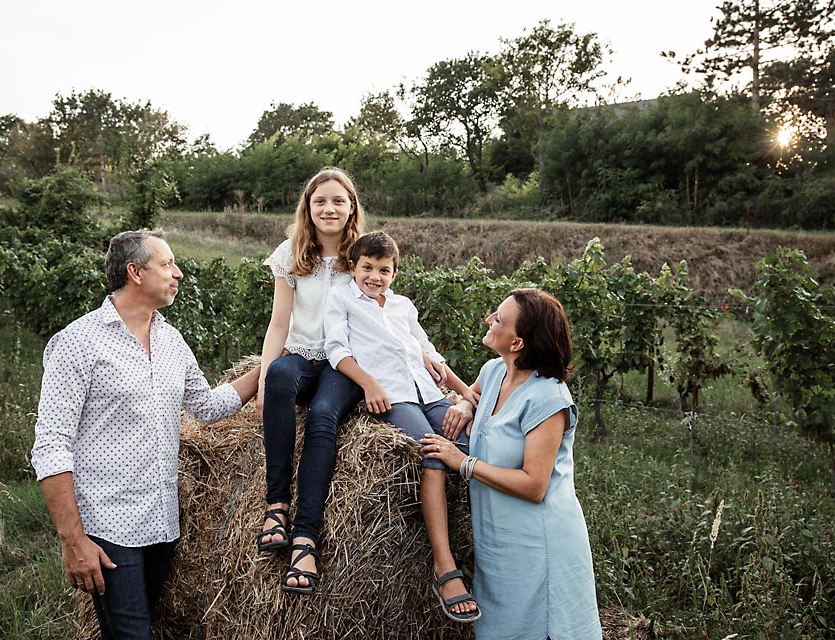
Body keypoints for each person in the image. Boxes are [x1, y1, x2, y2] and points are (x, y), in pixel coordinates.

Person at [31, 229, 260, 640]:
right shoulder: (77, 343)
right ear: (135, 272)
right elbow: (50, 446)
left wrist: (269, 368)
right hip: (107, 526)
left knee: (140, 628)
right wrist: (73, 540)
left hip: (162, 524)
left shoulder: (172, 340)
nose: (179, 274)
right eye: (168, 264)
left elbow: (206, 407)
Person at [421, 289, 602, 639]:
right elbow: (473, 397)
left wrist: (464, 463)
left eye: (499, 319)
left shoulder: (547, 398)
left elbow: (535, 486)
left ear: (517, 343)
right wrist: (464, 406)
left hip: (541, 543)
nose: (489, 319)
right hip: (498, 542)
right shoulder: (493, 372)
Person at [323, 231, 482, 622]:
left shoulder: (403, 306)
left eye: (384, 270)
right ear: (353, 267)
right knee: (432, 453)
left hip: (428, 392)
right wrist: (369, 383)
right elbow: (336, 349)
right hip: (393, 394)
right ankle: (444, 567)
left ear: (394, 273)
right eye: (368, 268)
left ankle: (491, 551)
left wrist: (466, 395)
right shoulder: (342, 297)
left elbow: (428, 353)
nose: (375, 276)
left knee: (471, 445)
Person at [256, 167, 365, 595]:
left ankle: (306, 539)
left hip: (345, 364)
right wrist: (265, 376)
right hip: (302, 356)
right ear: (308, 207)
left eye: (338, 200)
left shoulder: (362, 255)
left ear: (352, 206)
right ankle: (276, 506)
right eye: (320, 201)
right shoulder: (291, 253)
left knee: (323, 415)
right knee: (281, 376)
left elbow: (384, 315)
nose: (329, 208)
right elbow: (279, 322)